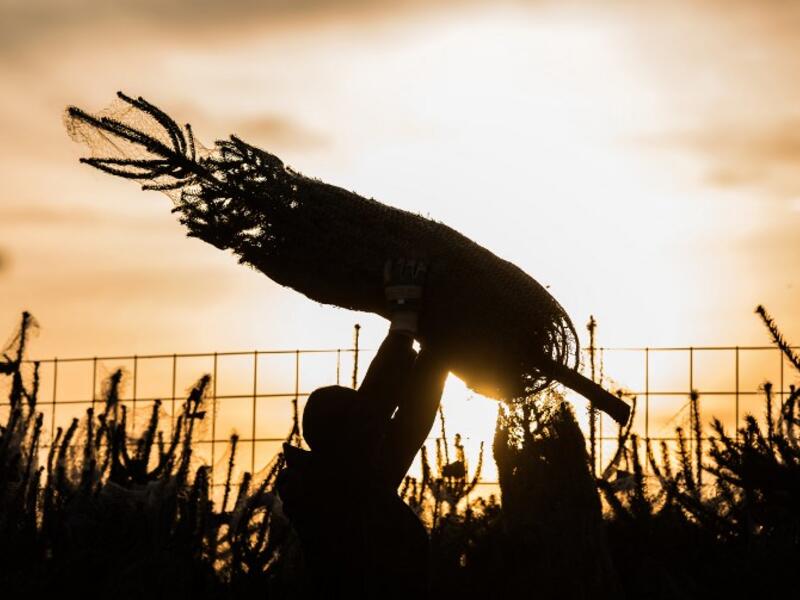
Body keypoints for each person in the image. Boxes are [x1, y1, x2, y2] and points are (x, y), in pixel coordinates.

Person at [276, 258, 448, 598]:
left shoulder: (361, 481)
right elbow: (383, 409)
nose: (378, 427)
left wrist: (438, 352)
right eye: (367, 424)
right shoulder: (331, 491)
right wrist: (404, 321)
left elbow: (408, 426)